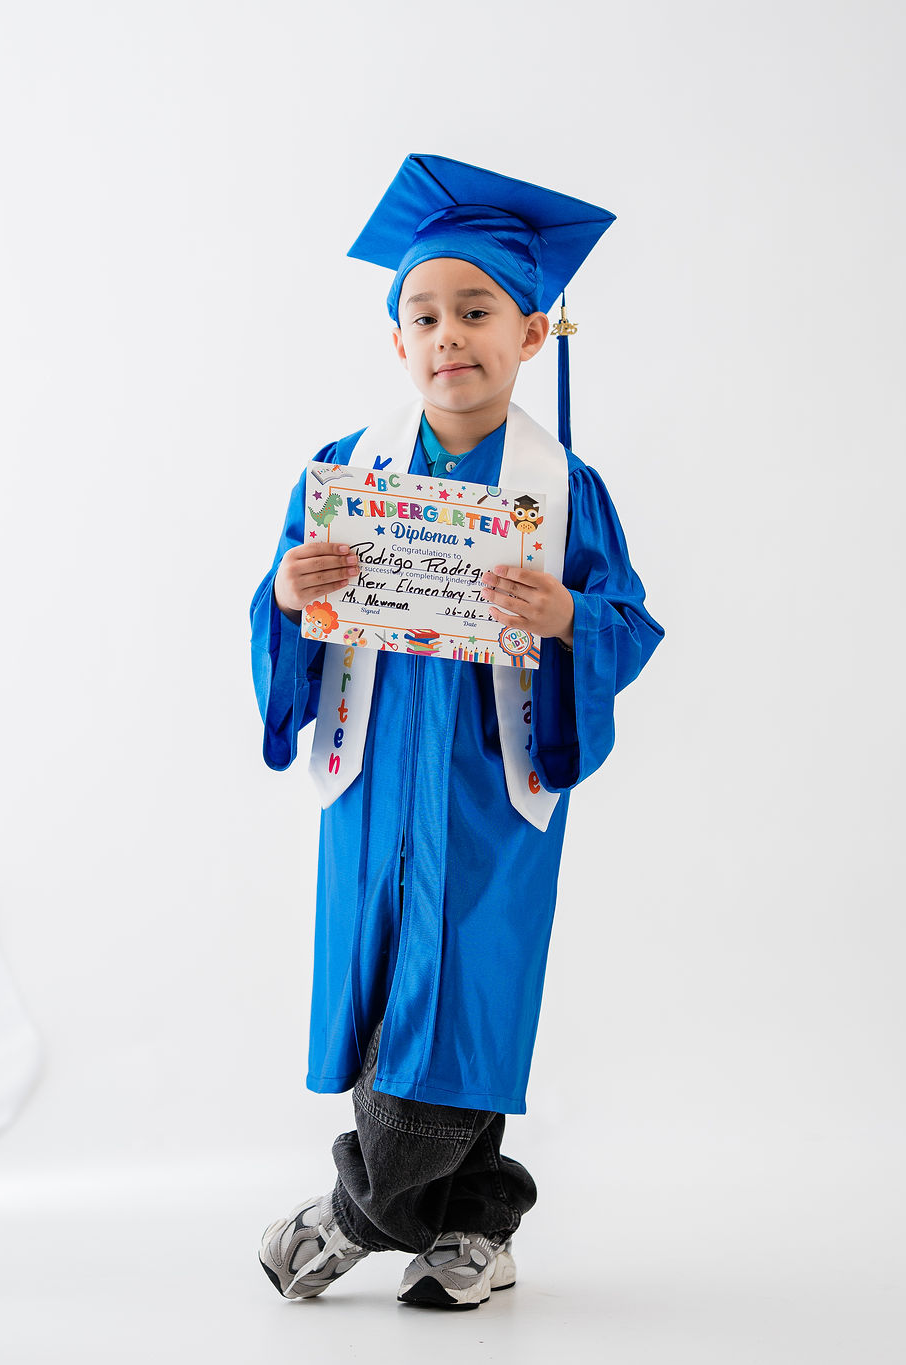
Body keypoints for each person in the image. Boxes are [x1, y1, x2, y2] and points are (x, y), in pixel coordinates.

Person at [250, 154, 664, 1310]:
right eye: (424, 314)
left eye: (477, 311)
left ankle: (355, 1214)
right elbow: (281, 607)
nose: (449, 336)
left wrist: (569, 616)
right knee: (392, 998)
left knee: (460, 995)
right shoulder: (346, 473)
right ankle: (476, 1223)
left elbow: (628, 622)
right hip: (374, 775)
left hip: (491, 789)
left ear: (531, 333)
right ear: (397, 340)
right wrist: (287, 593)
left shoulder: (564, 490)